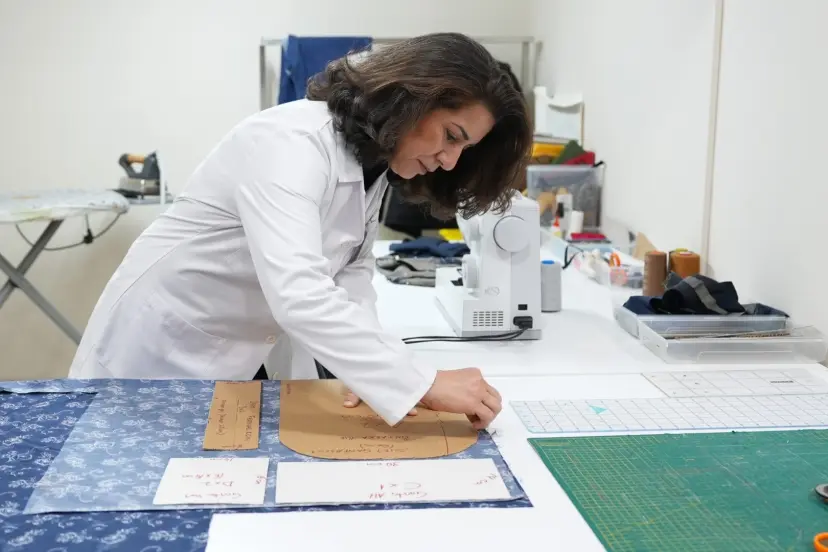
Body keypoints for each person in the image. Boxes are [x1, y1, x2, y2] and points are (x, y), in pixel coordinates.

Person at [68, 32, 532, 430]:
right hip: (161, 349)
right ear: (411, 99)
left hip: (235, 355)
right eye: (451, 136)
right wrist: (420, 382)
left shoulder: (372, 164)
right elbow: (300, 293)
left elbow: (350, 272)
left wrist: (376, 372)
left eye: (464, 149)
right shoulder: (290, 144)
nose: (450, 161)